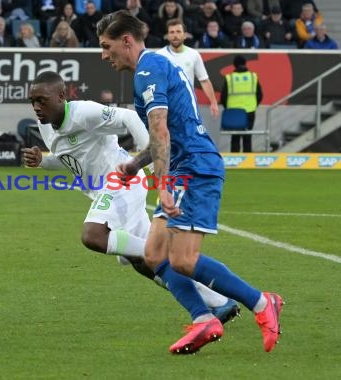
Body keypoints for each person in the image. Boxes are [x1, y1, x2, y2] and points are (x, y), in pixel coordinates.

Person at [97, 10, 282, 354]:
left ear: (126, 40)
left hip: (194, 167)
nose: (103, 55)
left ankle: (262, 302)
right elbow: (163, 137)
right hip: (185, 165)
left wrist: (162, 184)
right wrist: (135, 165)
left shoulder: (148, 70)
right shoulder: (154, 65)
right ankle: (203, 318)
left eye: (107, 47)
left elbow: (161, 130)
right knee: (153, 254)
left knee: (183, 259)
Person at [23, 71, 240, 324]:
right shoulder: (45, 122)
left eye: (42, 99)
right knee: (141, 263)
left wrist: (150, 157)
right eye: (32, 101)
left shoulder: (84, 112)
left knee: (93, 235)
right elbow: (68, 159)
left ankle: (160, 257)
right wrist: (43, 162)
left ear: (61, 95)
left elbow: (128, 117)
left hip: (122, 179)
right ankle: (218, 301)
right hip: (110, 190)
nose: (37, 107)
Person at [156, 19, 219, 119]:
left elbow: (204, 81)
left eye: (178, 32)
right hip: (165, 107)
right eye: (172, 32)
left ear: (185, 35)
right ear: (167, 36)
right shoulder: (159, 56)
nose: (175, 35)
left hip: (188, 106)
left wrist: (213, 102)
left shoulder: (193, 54)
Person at [220, 55, 263, 153]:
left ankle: (234, 161)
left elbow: (223, 97)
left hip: (234, 112)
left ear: (234, 65)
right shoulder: (253, 77)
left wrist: (228, 107)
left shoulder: (229, 78)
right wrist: (253, 105)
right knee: (247, 136)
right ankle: (247, 162)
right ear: (245, 63)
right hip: (250, 111)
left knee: (235, 137)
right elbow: (260, 95)